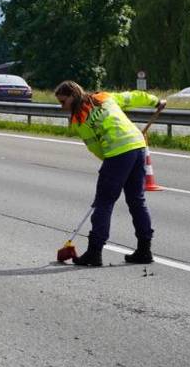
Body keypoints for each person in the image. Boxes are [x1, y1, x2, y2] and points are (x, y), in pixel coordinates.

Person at [54, 80, 166, 266]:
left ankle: (94, 253)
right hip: (138, 146)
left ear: (73, 96)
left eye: (63, 102)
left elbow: (95, 147)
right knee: (137, 200)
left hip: (117, 154)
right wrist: (155, 101)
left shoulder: (79, 120)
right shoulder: (103, 97)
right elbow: (132, 96)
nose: (62, 107)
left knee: (104, 203)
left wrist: (111, 164)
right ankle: (144, 250)